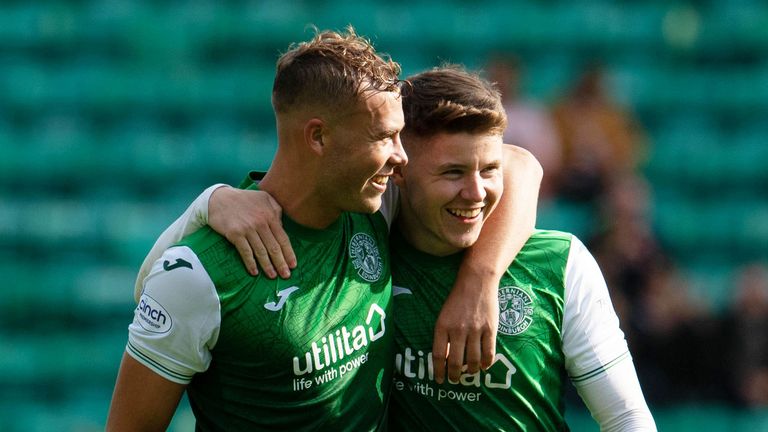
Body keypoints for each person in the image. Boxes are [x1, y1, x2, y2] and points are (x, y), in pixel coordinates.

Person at [155, 66, 657, 430]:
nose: (477, 192)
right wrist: (211, 201)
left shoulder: (561, 263)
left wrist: (479, 280)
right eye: (452, 173)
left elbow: (628, 419)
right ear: (400, 169)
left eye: (488, 170)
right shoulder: (368, 237)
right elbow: (156, 284)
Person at [107, 28, 541, 431]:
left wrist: (478, 282)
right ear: (317, 137)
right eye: (384, 138)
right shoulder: (202, 275)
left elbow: (520, 165)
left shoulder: (372, 205)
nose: (401, 157)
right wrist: (208, 204)